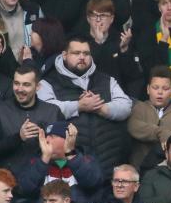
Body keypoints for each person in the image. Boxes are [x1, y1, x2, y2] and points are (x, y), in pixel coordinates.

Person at [38, 35, 134, 176]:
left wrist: (101, 108)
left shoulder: (107, 80)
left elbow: (126, 106)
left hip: (110, 163)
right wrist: (79, 106)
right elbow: (45, 110)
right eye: (76, 53)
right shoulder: (48, 82)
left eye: (86, 53)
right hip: (70, 168)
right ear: (64, 55)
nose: (82, 57)